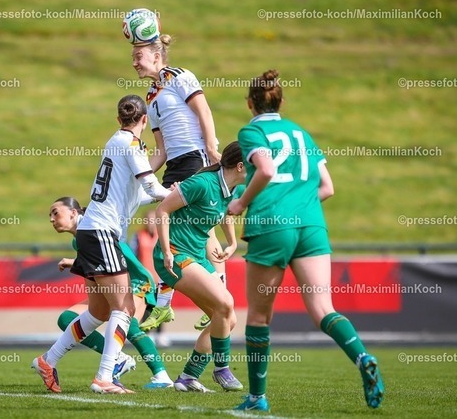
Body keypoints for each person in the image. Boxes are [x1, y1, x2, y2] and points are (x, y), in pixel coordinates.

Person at [227, 69, 385, 411]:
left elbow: (266, 170)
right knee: (323, 309)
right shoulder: (302, 133)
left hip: (272, 224)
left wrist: (240, 203)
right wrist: (299, 205)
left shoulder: (252, 131)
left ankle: (256, 398)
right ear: (281, 101)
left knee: (258, 317)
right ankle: (362, 357)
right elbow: (327, 187)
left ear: (250, 103)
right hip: (311, 225)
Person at [32, 94, 171, 394]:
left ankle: (47, 360)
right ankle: (104, 377)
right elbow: (151, 186)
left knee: (98, 313)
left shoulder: (115, 142)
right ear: (144, 120)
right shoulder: (130, 144)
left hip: (92, 231)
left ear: (118, 119)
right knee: (125, 307)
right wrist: (178, 195)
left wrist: (164, 192)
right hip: (102, 232)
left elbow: (137, 194)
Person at [131, 33, 226, 332]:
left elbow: (204, 110)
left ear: (156, 55)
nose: (134, 62)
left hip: (195, 158)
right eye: (132, 57)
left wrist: (211, 148)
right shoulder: (151, 96)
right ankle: (169, 303)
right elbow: (160, 150)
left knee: (198, 229)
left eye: (139, 56)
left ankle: (215, 294)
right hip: (174, 165)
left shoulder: (180, 76)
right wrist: (140, 175)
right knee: (171, 232)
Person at [47, 196, 174, 389]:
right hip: (112, 284)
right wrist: (76, 262)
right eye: (50, 215)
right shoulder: (78, 241)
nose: (51, 219)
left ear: (73, 212)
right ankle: (119, 358)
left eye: (55, 213)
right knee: (67, 318)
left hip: (137, 281)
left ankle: (161, 375)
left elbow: (115, 257)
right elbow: (99, 263)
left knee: (129, 324)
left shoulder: (97, 225)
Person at [154, 141, 246, 393]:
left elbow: (225, 212)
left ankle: (188, 377)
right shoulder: (202, 183)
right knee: (225, 303)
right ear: (240, 166)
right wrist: (166, 250)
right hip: (174, 253)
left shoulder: (234, 188)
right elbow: (162, 210)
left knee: (227, 319)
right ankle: (222, 369)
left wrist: (232, 242)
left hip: (196, 255)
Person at [129, 209, 171, 347]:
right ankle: (147, 334)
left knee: (162, 306)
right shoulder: (138, 236)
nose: (151, 223)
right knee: (146, 306)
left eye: (153, 220)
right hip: (145, 279)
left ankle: (160, 334)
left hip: (161, 277)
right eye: (148, 220)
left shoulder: (162, 236)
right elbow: (132, 256)